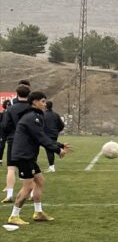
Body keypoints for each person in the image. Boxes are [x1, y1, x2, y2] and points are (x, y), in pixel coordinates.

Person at [7, 91, 72, 225]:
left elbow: (42, 135)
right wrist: (57, 150)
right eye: (42, 101)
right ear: (34, 102)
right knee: (28, 186)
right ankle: (14, 216)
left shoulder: (36, 116)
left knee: (40, 181)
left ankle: (38, 212)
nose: (45, 104)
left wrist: (59, 144)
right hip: (23, 156)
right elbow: (41, 138)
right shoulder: (32, 117)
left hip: (28, 155)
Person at [0, 85, 31, 203]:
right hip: (28, 141)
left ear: (16, 94)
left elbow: (4, 125)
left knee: (11, 169)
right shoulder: (31, 108)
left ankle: (9, 194)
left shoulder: (11, 109)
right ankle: (32, 193)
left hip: (13, 140)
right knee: (30, 167)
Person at [42, 101, 65, 173]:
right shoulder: (56, 115)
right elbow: (62, 125)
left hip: (46, 134)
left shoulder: (43, 115)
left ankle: (60, 147)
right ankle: (51, 166)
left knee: (49, 149)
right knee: (50, 148)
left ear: (45, 106)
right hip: (54, 134)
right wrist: (57, 130)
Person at [0, 100, 10, 167]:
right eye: (8, 104)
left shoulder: (13, 113)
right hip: (2, 133)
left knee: (12, 147)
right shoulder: (2, 113)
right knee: (1, 146)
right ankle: (0, 160)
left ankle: (13, 161)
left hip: (11, 133)